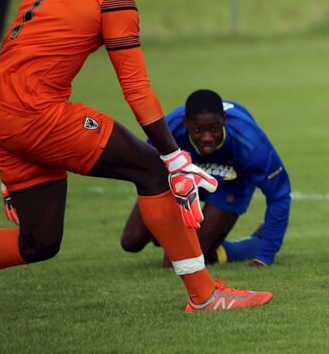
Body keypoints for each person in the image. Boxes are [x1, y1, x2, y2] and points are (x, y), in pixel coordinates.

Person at [0, 0, 272, 312]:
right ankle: (205, 296)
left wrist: (8, 158)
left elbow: (15, 64)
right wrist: (174, 157)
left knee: (39, 242)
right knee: (152, 169)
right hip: (36, 113)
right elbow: (135, 87)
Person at [120, 89, 291, 267]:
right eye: (198, 130)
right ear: (185, 123)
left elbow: (279, 194)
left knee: (175, 262)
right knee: (131, 241)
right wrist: (165, 222)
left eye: (214, 129)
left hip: (230, 182)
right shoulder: (168, 130)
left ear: (224, 120)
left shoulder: (250, 142)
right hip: (182, 179)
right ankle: (183, 239)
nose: (207, 138)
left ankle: (254, 243)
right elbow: (147, 173)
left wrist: (265, 256)